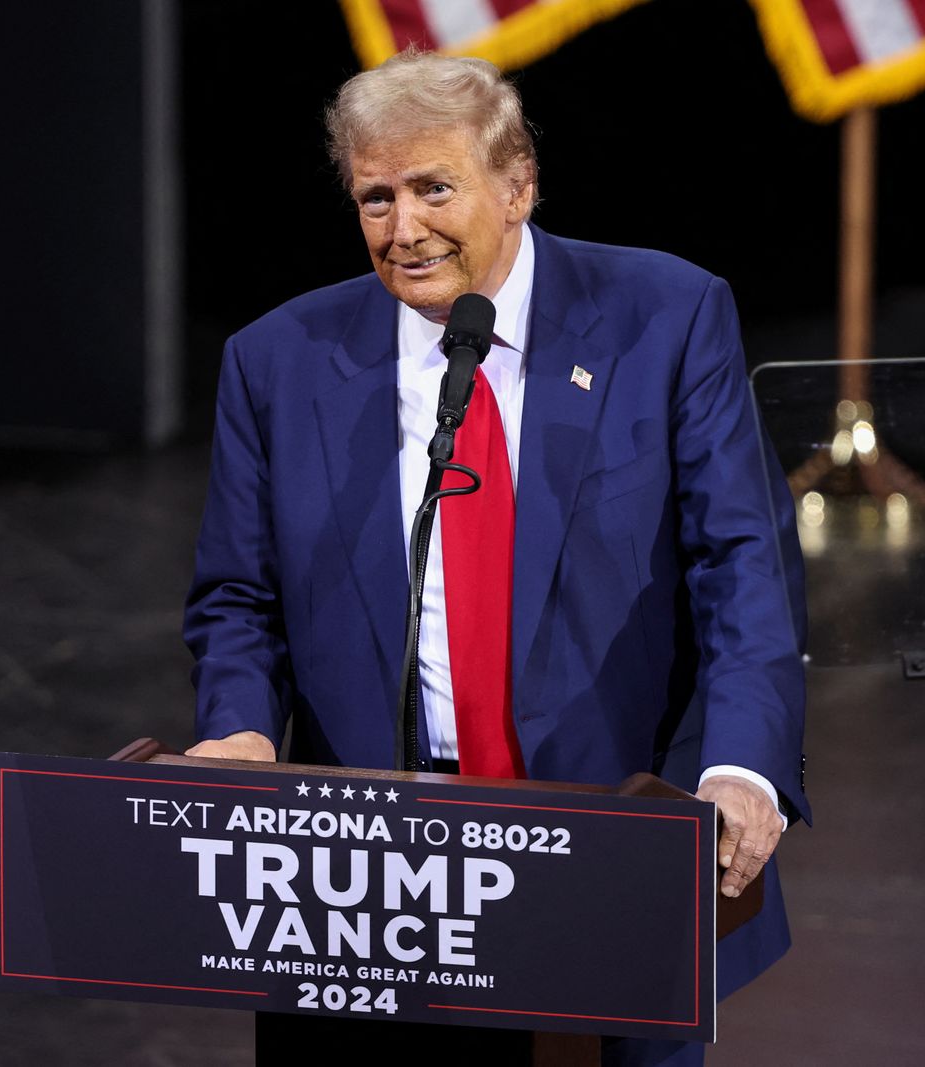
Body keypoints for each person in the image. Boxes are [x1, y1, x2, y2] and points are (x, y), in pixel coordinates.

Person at [184, 49, 808, 1067]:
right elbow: (236, 599)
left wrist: (740, 765)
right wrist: (242, 729)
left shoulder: (663, 313)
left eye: (434, 187)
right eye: (374, 197)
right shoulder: (277, 359)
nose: (403, 229)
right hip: (369, 881)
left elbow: (743, 559)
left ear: (517, 184)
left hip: (614, 847)